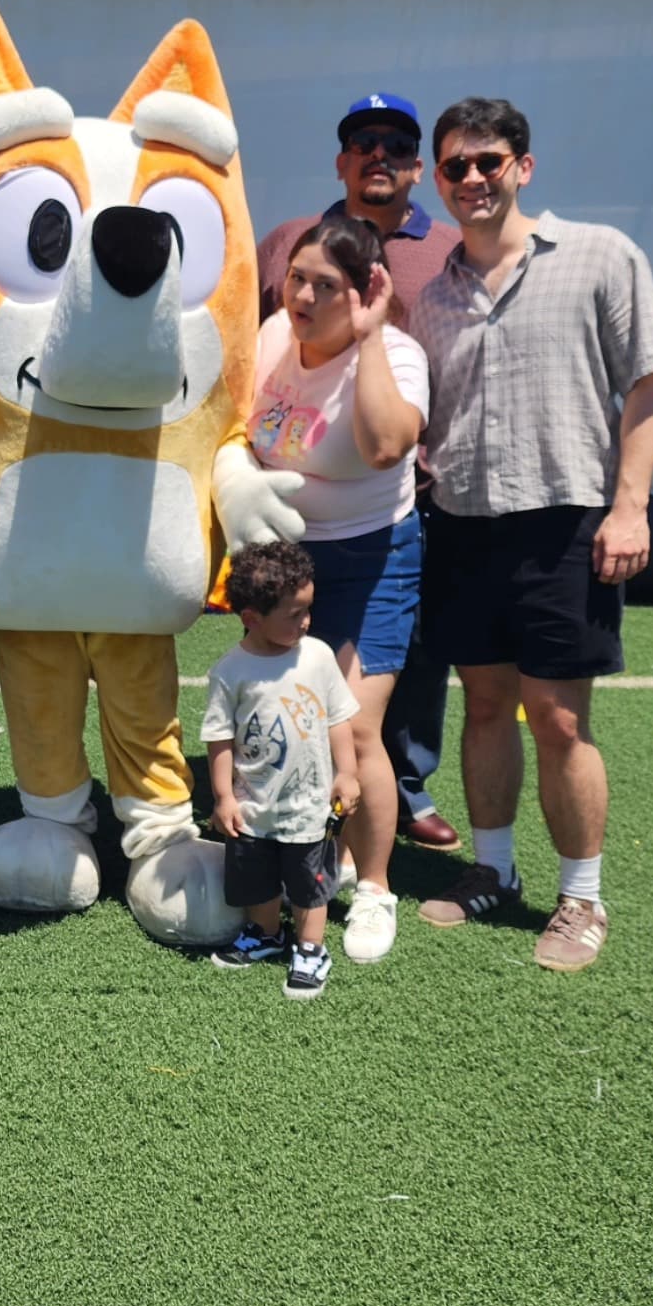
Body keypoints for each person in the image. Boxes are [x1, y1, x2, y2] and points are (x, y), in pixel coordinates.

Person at [409, 97, 653, 972]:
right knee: (485, 705)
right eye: (456, 165)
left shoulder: (601, 254)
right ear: (439, 178)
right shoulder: (433, 297)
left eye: (489, 161)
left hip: (565, 522)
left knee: (558, 719)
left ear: (523, 166)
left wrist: (630, 507)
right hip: (462, 525)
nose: (473, 178)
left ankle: (582, 898)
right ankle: (493, 871)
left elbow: (648, 382)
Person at [257, 93, 461, 855]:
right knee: (305, 683)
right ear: (342, 161)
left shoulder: (447, 248)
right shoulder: (290, 241)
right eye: (363, 142)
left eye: (396, 145)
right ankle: (301, 813)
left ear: (417, 167)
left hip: (406, 493)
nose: (379, 154)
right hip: (298, 516)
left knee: (405, 666)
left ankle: (405, 789)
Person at [247, 213, 428, 964]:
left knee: (351, 729)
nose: (305, 297)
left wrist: (371, 335)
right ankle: (323, 855)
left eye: (327, 286)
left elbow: (386, 446)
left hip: (371, 559)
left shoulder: (397, 355)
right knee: (288, 718)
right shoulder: (270, 336)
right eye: (298, 279)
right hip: (283, 565)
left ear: (364, 291)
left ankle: (376, 888)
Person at [203, 541, 360, 1000]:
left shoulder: (318, 656)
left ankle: (311, 949)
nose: (306, 621)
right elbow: (219, 739)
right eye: (295, 614)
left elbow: (338, 719)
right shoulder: (230, 671)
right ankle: (267, 934)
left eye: (309, 609)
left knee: (311, 884)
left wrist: (347, 773)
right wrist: (224, 797)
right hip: (253, 805)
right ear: (252, 618)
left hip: (310, 805)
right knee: (258, 878)